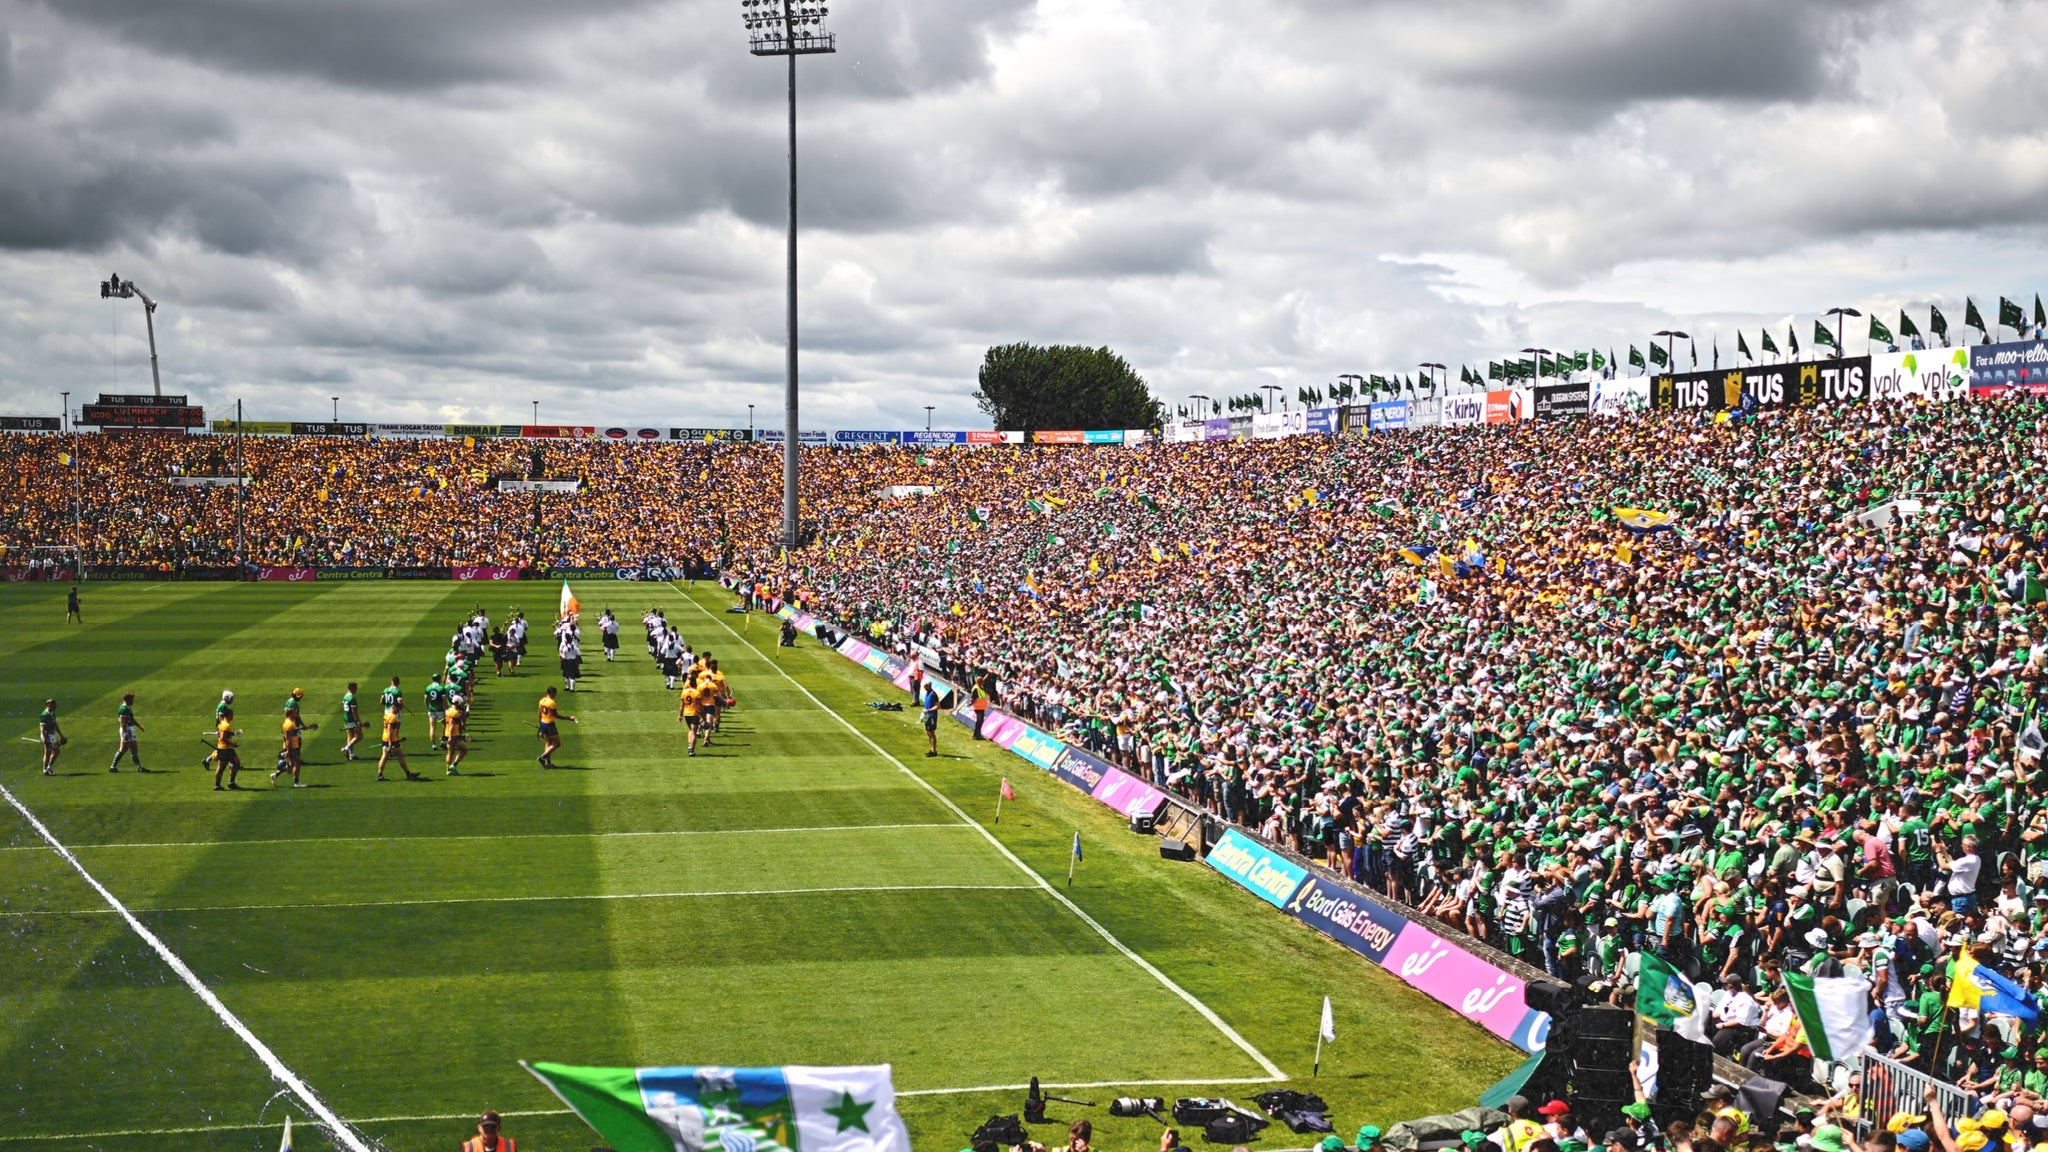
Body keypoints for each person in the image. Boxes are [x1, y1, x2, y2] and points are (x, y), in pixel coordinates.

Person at [270, 688, 316, 787]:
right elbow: (288, 737)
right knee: (295, 763)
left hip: (292, 732)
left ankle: (277, 774)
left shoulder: (288, 707)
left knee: (294, 763)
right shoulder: (293, 706)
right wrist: (288, 750)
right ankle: (295, 781)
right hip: (292, 740)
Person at [376, 702, 419, 782]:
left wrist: (398, 739)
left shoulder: (387, 715)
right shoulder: (393, 717)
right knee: (400, 756)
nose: (399, 711)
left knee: (384, 756)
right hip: (392, 740)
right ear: (395, 707)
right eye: (399, 709)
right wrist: (390, 743)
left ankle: (380, 775)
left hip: (385, 738)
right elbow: (390, 730)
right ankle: (408, 774)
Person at [537, 686, 573, 768]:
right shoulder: (551, 703)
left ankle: (548, 763)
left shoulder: (542, 700)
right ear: (552, 693)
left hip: (543, 723)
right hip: (549, 724)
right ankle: (542, 757)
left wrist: (540, 727)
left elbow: (539, 714)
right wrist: (569, 718)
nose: (556, 695)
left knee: (548, 743)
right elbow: (556, 716)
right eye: (555, 693)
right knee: (557, 744)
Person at [110, 692, 146, 773]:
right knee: (134, 749)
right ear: (128, 699)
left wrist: (139, 726)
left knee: (123, 749)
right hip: (127, 729)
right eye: (132, 699)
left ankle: (113, 767)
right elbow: (122, 722)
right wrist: (126, 733)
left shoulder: (127, 708)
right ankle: (139, 768)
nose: (133, 700)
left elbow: (131, 719)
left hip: (127, 729)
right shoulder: (124, 709)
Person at [211, 707, 242, 791]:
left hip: (224, 748)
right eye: (232, 715)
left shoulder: (222, 723)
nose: (233, 716)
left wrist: (233, 734)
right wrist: (232, 744)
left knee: (235, 763)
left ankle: (225, 784)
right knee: (223, 766)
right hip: (225, 749)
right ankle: (221, 784)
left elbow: (223, 735)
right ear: (228, 715)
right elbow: (222, 738)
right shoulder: (226, 725)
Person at [679, 671, 706, 756]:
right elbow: (700, 706)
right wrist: (703, 716)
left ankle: (689, 745)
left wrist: (680, 715)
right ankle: (692, 749)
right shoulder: (697, 693)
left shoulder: (684, 692)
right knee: (694, 732)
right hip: (694, 713)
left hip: (686, 714)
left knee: (690, 730)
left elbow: (682, 704)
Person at [37, 698, 65, 775]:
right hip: (47, 735)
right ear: (49, 705)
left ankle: (47, 767)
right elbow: (42, 728)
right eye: (54, 704)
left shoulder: (52, 713)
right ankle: (47, 768)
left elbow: (55, 725)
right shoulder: (44, 715)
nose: (56, 706)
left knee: (54, 751)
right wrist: (45, 738)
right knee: (50, 751)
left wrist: (61, 735)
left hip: (51, 735)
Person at [443, 690, 468, 775]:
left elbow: (445, 722)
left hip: (447, 734)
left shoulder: (448, 710)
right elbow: (451, 725)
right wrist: (450, 737)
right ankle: (453, 765)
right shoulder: (455, 713)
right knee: (464, 749)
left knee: (450, 752)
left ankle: (448, 770)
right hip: (453, 736)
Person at [339, 682, 363, 761]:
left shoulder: (345, 696)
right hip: (352, 719)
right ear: (352, 688)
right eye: (356, 687)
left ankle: (351, 755)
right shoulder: (352, 698)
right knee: (359, 736)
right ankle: (346, 748)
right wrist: (358, 720)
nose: (357, 689)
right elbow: (354, 711)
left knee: (350, 736)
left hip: (346, 718)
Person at [424, 674, 448, 750]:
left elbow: (425, 700)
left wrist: (428, 707)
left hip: (431, 710)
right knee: (446, 725)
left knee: (432, 727)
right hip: (440, 710)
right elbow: (444, 700)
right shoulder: (441, 688)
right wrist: (447, 708)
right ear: (439, 679)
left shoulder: (428, 688)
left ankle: (433, 744)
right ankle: (443, 741)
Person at [559, 624, 582, 692]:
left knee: (566, 675)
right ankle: (572, 688)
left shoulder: (565, 647)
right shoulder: (574, 646)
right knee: (572, 675)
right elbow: (579, 654)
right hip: (573, 661)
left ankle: (567, 686)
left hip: (566, 661)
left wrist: (562, 657)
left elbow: (563, 655)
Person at [922, 681, 941, 758]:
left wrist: (929, 710)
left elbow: (937, 706)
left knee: (931, 732)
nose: (924, 688)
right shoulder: (927, 693)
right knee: (928, 732)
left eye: (925, 686)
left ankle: (934, 750)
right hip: (927, 715)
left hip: (932, 716)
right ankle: (931, 748)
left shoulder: (933, 694)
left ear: (929, 686)